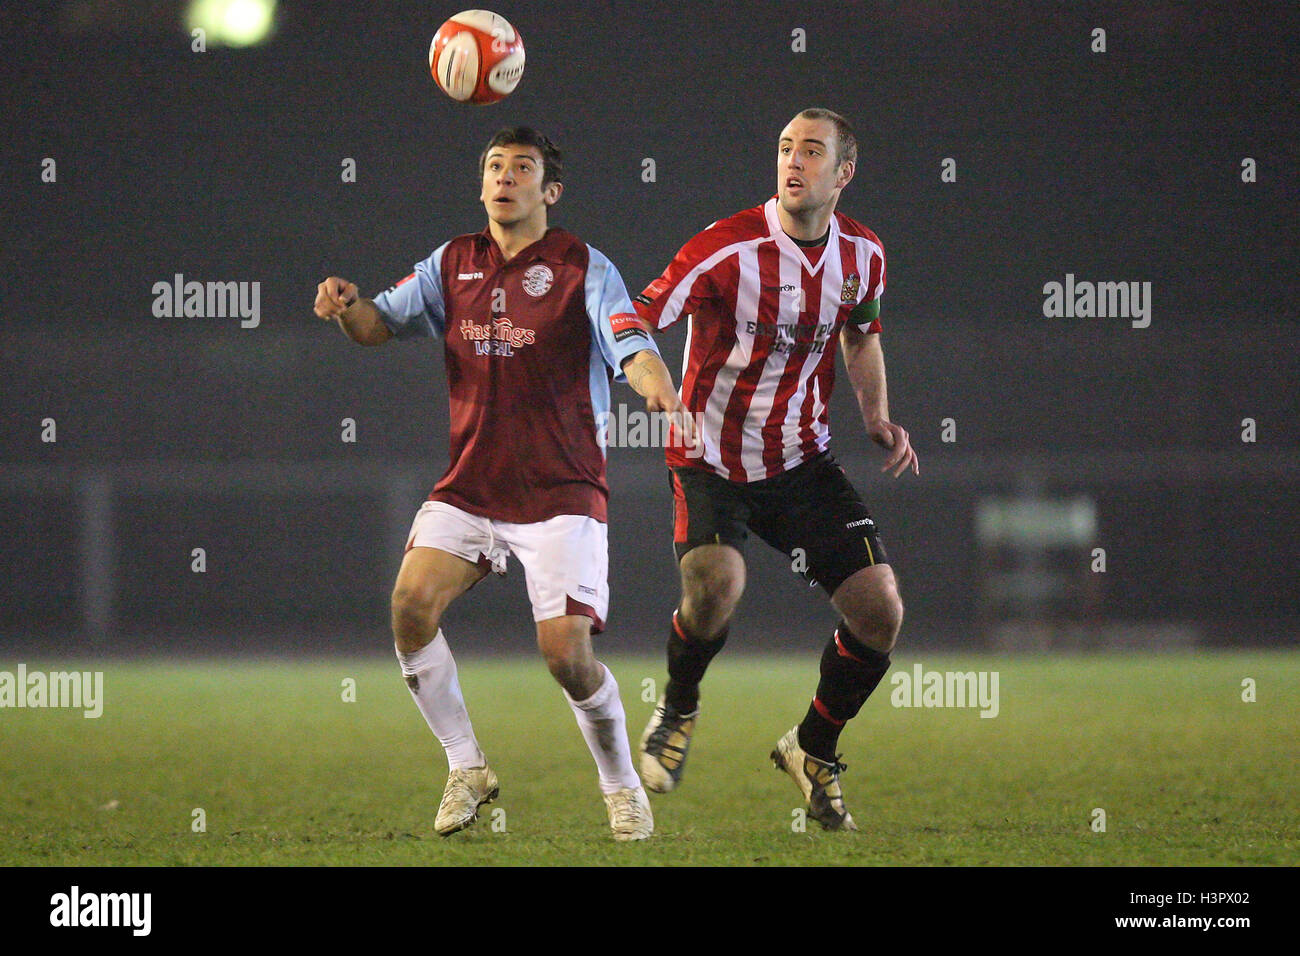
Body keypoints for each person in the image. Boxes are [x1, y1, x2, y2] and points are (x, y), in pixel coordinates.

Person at [313, 127, 687, 841]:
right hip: (473, 486)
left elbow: (629, 340)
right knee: (410, 605)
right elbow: (377, 327)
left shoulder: (581, 266)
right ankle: (466, 766)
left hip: (561, 489)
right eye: (493, 166)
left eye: (523, 167)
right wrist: (347, 304)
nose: (504, 177)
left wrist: (656, 386)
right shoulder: (451, 262)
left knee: (566, 657)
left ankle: (621, 786)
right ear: (482, 185)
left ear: (551, 190)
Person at [634, 108, 919, 830]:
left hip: (801, 461)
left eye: (813, 151)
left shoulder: (864, 255)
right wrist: (652, 380)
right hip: (712, 460)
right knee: (716, 588)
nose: (793, 161)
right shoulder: (725, 248)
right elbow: (633, 315)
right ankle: (679, 702)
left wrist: (878, 416)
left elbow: (862, 332)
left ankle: (812, 747)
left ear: (844, 174)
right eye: (786, 147)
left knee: (880, 611)